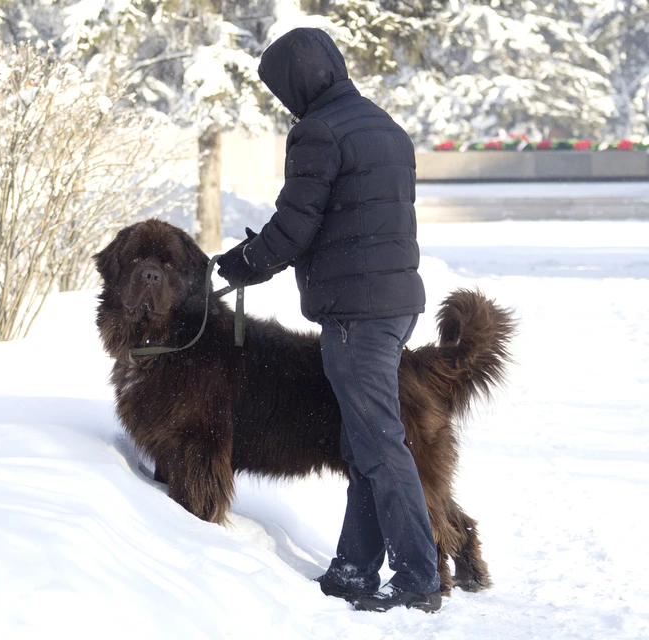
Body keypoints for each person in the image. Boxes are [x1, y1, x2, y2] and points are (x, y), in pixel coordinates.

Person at [216, 27, 441, 613]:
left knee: (379, 443)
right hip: (396, 305)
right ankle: (352, 570)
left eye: (281, 88)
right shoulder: (382, 125)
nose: (283, 101)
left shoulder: (318, 131)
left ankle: (418, 576)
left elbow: (296, 226)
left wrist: (242, 264)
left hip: (355, 315)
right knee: (361, 439)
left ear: (298, 79)